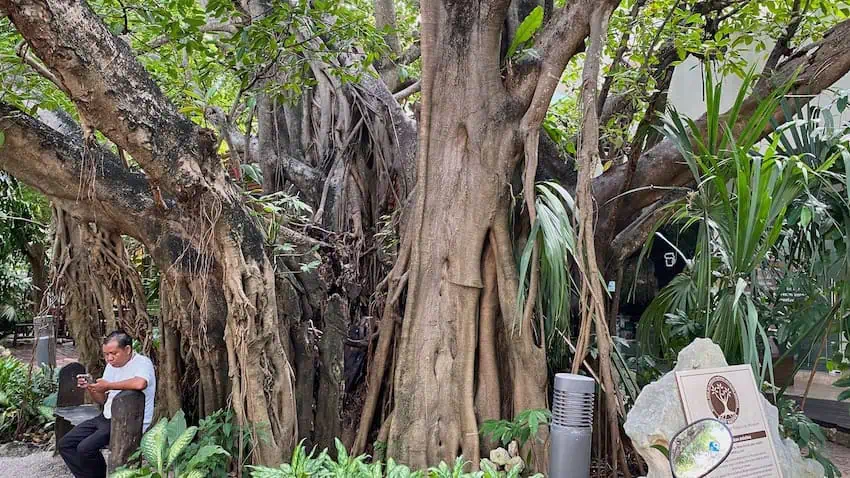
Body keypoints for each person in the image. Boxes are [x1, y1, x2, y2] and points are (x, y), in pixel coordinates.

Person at [59, 330, 156, 478]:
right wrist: (91, 387)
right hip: (106, 417)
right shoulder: (111, 366)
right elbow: (102, 400)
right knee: (65, 444)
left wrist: (108, 385)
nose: (109, 358)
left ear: (128, 350)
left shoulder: (142, 362)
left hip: (128, 423)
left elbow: (140, 383)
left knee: (85, 448)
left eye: (113, 353)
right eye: (106, 354)